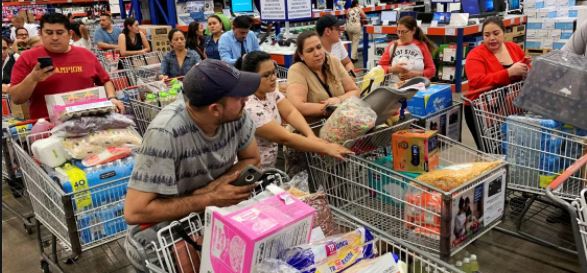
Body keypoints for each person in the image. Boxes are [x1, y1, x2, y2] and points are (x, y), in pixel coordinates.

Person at [123, 59, 261, 271]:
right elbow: (135, 211)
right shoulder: (165, 133)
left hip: (209, 219)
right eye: (239, 96)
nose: (246, 99)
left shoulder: (236, 115)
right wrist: (209, 197)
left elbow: (251, 158)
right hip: (164, 233)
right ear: (215, 108)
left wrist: (215, 187)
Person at [239, 51, 352, 169]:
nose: (273, 78)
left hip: (267, 167)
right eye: (266, 75)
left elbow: (290, 112)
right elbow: (285, 138)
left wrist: (310, 135)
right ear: (250, 77)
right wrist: (325, 148)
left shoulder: (270, 93)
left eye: (274, 72)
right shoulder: (249, 107)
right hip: (250, 170)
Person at [8, 13, 124, 120]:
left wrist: (112, 98)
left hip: (88, 124)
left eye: (59, 32)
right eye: (49, 33)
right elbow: (17, 98)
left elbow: (105, 81)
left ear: (70, 34)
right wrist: (32, 78)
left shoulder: (86, 55)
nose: (54, 38)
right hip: (48, 132)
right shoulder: (27, 58)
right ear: (41, 34)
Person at [464, 16, 529, 148]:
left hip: (510, 108)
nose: (491, 38)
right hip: (482, 110)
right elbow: (477, 81)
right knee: (490, 150)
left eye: (496, 33)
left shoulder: (513, 48)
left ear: (504, 33)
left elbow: (525, 67)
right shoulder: (475, 54)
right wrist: (509, 72)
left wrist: (527, 70)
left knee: (511, 148)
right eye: (486, 35)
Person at [286, 31, 360, 123]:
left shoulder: (333, 61)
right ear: (301, 55)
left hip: (340, 126)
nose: (317, 53)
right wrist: (330, 108)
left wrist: (339, 100)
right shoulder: (297, 70)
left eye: (319, 47)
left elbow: (354, 90)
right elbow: (298, 106)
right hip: (312, 129)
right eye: (310, 50)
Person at [378, 16, 437, 81]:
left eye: (403, 32)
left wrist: (417, 74)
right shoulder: (392, 45)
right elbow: (379, 68)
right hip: (395, 88)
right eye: (398, 31)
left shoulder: (421, 45)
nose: (400, 35)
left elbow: (432, 70)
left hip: (417, 88)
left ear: (413, 31)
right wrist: (392, 69)